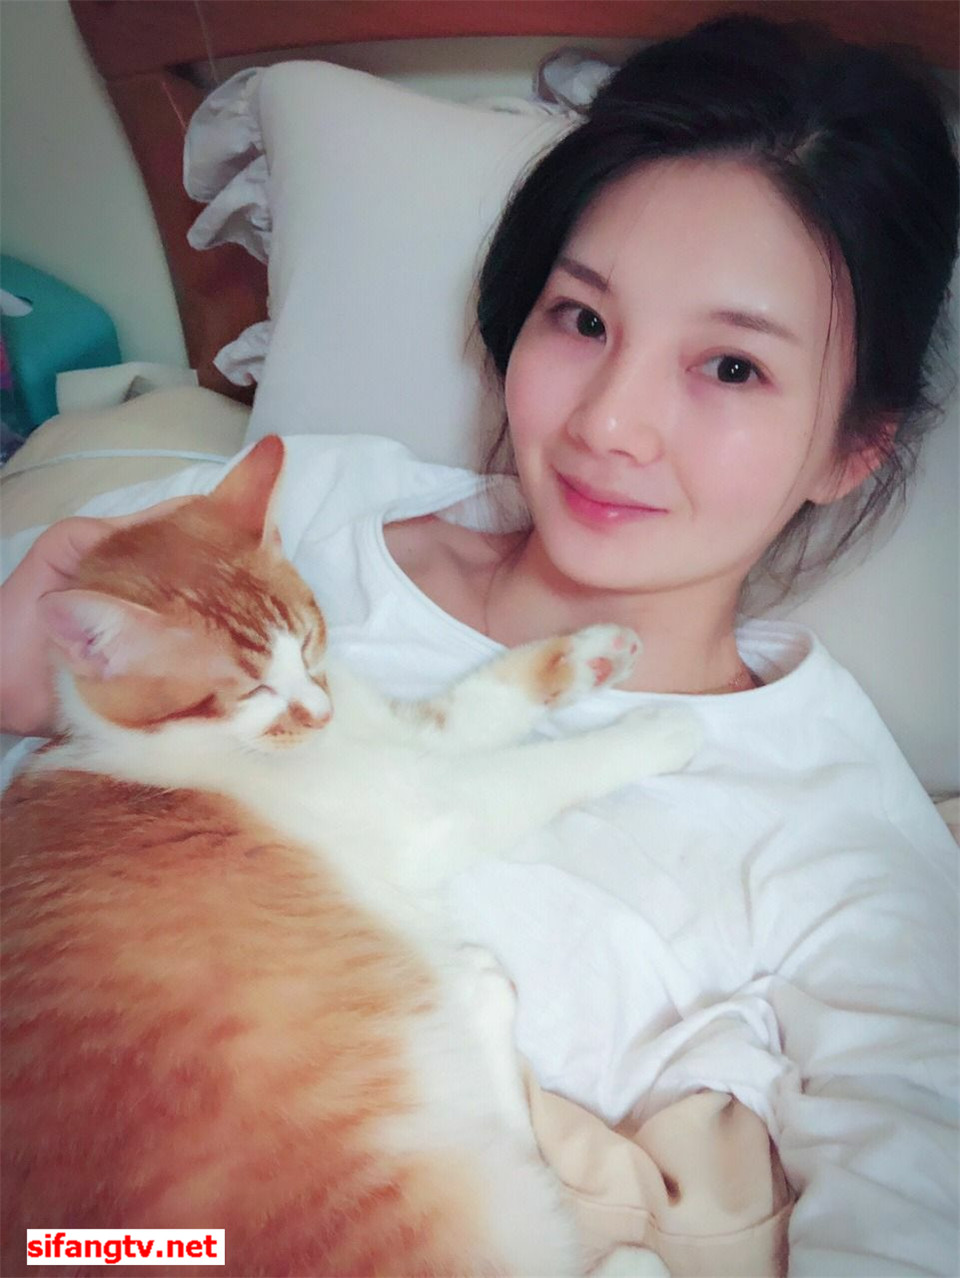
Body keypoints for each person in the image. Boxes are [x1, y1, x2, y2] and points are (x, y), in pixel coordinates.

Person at [2, 14, 957, 1276]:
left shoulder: (839, 836)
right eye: (583, 319)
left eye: (731, 367)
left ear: (854, 446)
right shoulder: (302, 506)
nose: (610, 422)